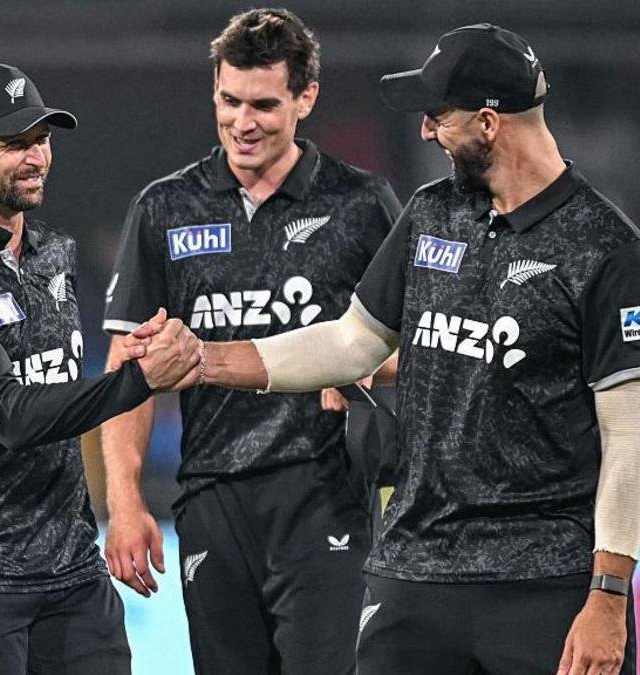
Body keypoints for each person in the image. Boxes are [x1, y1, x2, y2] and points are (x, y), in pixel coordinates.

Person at [126, 24, 640, 675]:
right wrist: (204, 359)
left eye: (438, 115)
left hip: (543, 585)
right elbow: (352, 340)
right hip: (412, 578)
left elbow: (628, 444)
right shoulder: (431, 212)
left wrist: (608, 595)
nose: (426, 132)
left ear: (488, 122)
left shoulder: (610, 253)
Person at [100, 8, 400, 673]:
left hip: (325, 491)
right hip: (211, 498)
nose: (243, 121)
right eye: (229, 101)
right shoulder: (164, 208)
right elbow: (129, 366)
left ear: (305, 98)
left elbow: (424, 341)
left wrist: (361, 366)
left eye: (263, 104)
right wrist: (123, 502)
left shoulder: (361, 203)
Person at [0, 63, 199, 675]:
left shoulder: (54, 252)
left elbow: (56, 384)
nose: (36, 157)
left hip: (71, 568)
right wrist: (139, 381)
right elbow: (11, 415)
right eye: (13, 143)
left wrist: (134, 359)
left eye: (42, 139)